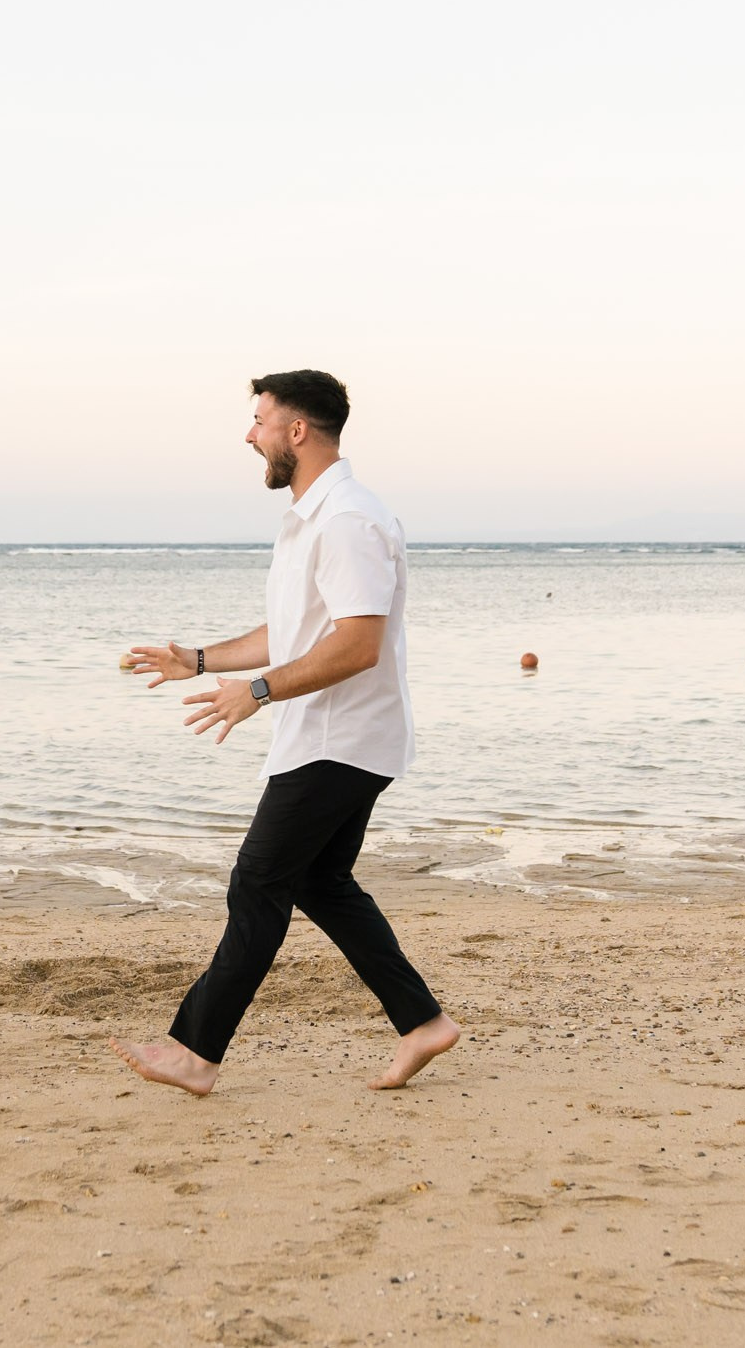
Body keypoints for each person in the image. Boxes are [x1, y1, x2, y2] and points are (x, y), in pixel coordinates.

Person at [112, 371, 459, 1096]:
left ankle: (195, 1051)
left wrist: (259, 692)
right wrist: (200, 660)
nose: (250, 434)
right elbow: (296, 629)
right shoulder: (312, 517)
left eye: (260, 420)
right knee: (318, 881)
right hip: (332, 736)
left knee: (258, 881)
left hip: (344, 736)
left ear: (296, 431)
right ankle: (423, 1022)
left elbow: (358, 642)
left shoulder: (347, 519)